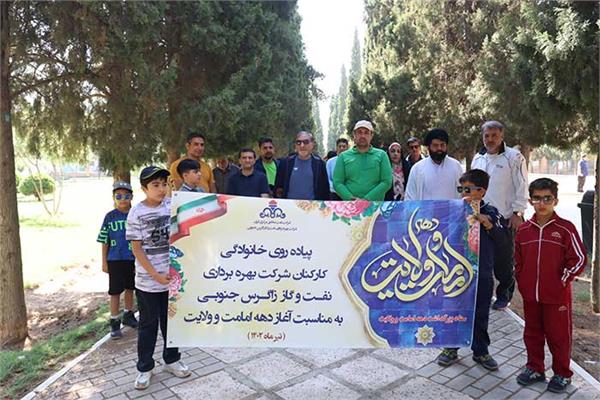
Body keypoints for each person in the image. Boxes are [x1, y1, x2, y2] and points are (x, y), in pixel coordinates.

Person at [514, 178, 587, 393]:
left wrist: (563, 280)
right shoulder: (524, 230)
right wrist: (522, 281)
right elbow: (517, 260)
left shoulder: (565, 229)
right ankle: (535, 368)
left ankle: (562, 374)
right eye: (537, 198)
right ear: (530, 201)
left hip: (557, 296)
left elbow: (579, 258)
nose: (542, 203)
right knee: (532, 333)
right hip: (531, 296)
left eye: (547, 198)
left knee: (559, 336)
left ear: (555, 200)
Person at [126, 166, 191, 390]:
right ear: (144, 188)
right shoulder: (136, 213)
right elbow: (137, 249)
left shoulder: (171, 206)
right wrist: (155, 275)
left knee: (171, 323)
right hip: (148, 283)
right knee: (148, 325)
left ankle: (172, 360)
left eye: (164, 184)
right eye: (155, 185)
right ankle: (145, 367)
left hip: (172, 280)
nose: (161, 189)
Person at [436, 169, 507, 371]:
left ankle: (481, 350)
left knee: (480, 313)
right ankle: (451, 348)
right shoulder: (454, 211)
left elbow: (503, 240)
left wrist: (486, 223)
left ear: (481, 191)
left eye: (468, 189)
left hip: (482, 274)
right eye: (461, 189)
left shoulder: (492, 213)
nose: (463, 194)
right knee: (453, 310)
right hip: (456, 273)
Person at [471, 120, 528, 310]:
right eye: (486, 136)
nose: (490, 139)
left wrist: (518, 212)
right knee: (483, 259)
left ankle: (504, 296)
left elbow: (522, 185)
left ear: (502, 136)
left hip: (505, 218)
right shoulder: (478, 158)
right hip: (481, 217)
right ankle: (483, 295)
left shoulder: (514, 157)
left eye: (494, 135)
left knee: (504, 261)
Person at [97, 181, 139, 339]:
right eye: (119, 196)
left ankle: (128, 314)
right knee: (115, 291)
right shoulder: (110, 217)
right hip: (114, 259)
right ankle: (114, 321)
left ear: (131, 197)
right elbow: (104, 240)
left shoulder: (135, 215)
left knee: (130, 287)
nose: (123, 199)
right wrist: (104, 261)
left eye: (126, 196)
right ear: (113, 198)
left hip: (132, 258)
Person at [333, 121, 392, 201]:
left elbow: (386, 182)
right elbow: (337, 182)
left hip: (375, 205)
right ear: (354, 135)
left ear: (371, 135)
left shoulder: (382, 155)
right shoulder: (343, 157)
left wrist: (366, 199)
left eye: (366, 133)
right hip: (350, 205)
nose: (362, 136)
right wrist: (350, 198)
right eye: (359, 132)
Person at [404, 128, 462, 200]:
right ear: (428, 147)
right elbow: (410, 197)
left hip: (452, 207)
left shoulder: (456, 166)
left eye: (442, 145)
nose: (439, 148)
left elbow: (462, 193)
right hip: (424, 207)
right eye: (435, 145)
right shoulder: (417, 169)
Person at [275, 131, 329, 200]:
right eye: (298, 142)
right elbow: (278, 188)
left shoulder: (319, 164)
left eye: (306, 142)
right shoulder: (285, 163)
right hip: (288, 205)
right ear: (295, 145)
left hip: (312, 206)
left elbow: (325, 190)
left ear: (312, 144)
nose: (302, 145)